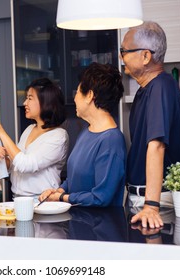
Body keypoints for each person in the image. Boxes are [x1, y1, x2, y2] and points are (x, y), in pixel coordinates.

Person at [120, 21, 180, 228]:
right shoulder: (146, 90)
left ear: (146, 56)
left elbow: (157, 145)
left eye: (124, 51)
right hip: (143, 199)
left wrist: (151, 205)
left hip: (153, 203)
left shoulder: (161, 86)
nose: (121, 57)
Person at [39, 62, 126, 207]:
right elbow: (74, 178)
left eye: (78, 92)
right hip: (79, 222)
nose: (74, 98)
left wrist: (62, 198)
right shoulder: (86, 131)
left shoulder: (111, 141)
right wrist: (59, 191)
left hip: (100, 227)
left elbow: (101, 198)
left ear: (90, 95)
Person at [0, 78, 68, 198]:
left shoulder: (59, 136)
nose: (25, 103)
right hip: (18, 198)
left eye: (30, 98)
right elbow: (14, 163)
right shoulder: (30, 128)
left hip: (43, 200)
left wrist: (1, 132)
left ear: (45, 102)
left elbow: (25, 164)